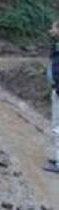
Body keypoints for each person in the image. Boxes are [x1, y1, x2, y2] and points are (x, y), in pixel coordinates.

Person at [43, 21, 59, 173]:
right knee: (55, 125)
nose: (51, 30)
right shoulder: (56, 47)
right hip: (56, 89)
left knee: (58, 126)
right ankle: (55, 157)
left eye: (53, 28)